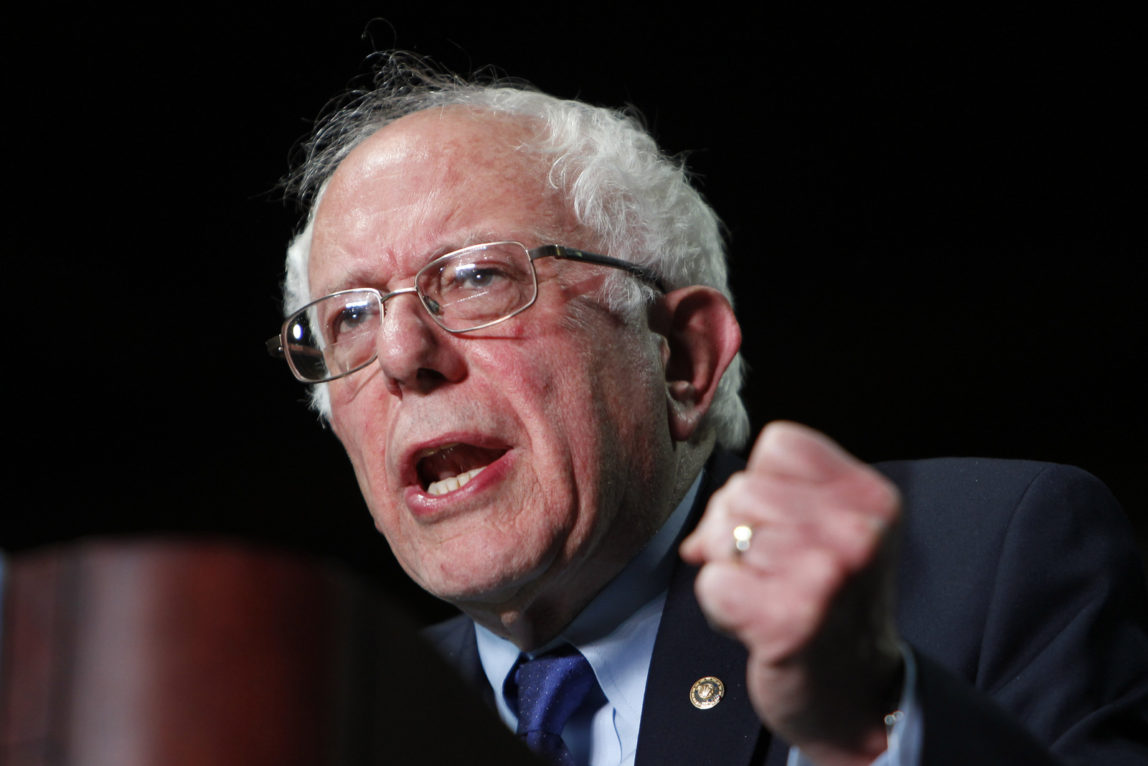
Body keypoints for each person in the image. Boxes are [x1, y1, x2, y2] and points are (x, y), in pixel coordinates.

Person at [270, 54, 1148, 765]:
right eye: (348, 317)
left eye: (474, 279)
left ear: (683, 358)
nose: (398, 356)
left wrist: (868, 730)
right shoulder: (328, 719)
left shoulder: (984, 563)